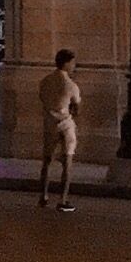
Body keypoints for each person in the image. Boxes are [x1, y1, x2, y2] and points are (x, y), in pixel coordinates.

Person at [36, 49, 81, 212]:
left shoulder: (46, 81)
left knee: (47, 161)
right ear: (67, 63)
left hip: (50, 122)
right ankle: (63, 199)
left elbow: (42, 98)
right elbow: (76, 107)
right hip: (66, 123)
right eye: (73, 62)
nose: (74, 66)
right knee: (67, 161)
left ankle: (44, 195)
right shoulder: (71, 85)